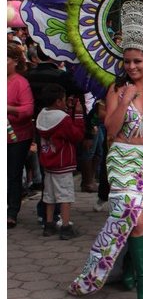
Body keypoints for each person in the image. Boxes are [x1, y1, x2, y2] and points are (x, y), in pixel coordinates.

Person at [69, 1, 143, 299]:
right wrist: (124, 100)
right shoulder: (116, 89)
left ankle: (130, 271)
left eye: (137, 61)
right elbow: (112, 128)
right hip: (121, 161)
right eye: (127, 61)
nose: (131, 67)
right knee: (137, 221)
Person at [36, 83, 85, 239]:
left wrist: (68, 110)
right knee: (65, 196)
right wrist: (77, 115)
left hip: (48, 161)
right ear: (58, 101)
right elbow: (76, 135)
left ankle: (49, 224)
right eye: (64, 100)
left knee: (49, 195)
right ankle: (65, 226)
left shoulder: (42, 115)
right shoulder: (63, 119)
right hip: (63, 163)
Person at [7, 43, 35, 228]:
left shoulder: (20, 83)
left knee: (12, 174)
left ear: (15, 61)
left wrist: (8, 109)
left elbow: (28, 110)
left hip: (17, 137)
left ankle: (11, 212)